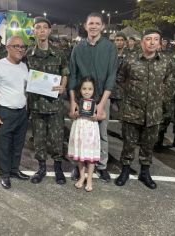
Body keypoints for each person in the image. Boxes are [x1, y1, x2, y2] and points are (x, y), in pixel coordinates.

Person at [115, 29, 170, 189]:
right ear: (142, 42)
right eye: (148, 39)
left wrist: (156, 97)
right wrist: (133, 93)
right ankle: (125, 170)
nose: (152, 42)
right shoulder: (130, 60)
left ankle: (145, 172)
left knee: (148, 145)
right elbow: (120, 78)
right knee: (128, 144)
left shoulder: (165, 62)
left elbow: (167, 81)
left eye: (156, 39)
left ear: (159, 43)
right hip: (132, 111)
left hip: (153, 113)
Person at [68, 12, 118, 182]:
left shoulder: (110, 47)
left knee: (102, 134)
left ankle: (101, 166)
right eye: (91, 23)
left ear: (103, 26)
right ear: (85, 25)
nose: (94, 26)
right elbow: (73, 75)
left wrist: (102, 104)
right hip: (81, 100)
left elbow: (112, 76)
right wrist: (73, 101)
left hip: (102, 98)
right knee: (80, 134)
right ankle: (78, 166)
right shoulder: (78, 48)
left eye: (97, 23)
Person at [25, 17, 69, 185]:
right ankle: (41, 167)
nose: (42, 30)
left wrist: (63, 86)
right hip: (36, 105)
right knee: (39, 138)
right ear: (34, 31)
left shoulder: (58, 53)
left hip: (54, 105)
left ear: (49, 31)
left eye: (45, 27)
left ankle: (58, 167)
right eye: (38, 27)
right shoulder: (29, 54)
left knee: (57, 138)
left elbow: (65, 71)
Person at [0, 36, 29, 189]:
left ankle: (14, 170)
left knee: (18, 144)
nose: (20, 49)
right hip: (5, 112)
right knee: (4, 146)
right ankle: (4, 174)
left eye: (23, 46)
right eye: (16, 46)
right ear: (7, 47)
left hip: (21, 113)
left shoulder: (24, 66)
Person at [68, 77, 106, 192]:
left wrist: (97, 117)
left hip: (91, 131)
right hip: (79, 130)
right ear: (80, 90)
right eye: (84, 88)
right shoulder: (77, 102)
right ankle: (81, 177)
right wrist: (75, 114)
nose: (87, 91)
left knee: (90, 158)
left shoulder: (96, 103)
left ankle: (89, 179)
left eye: (90, 89)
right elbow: (71, 115)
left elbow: (103, 115)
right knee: (80, 156)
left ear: (94, 90)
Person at [110, 32, 127, 120]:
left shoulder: (129, 55)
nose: (119, 42)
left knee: (123, 114)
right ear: (114, 41)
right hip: (110, 87)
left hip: (122, 88)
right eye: (117, 40)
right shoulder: (108, 54)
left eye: (121, 40)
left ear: (125, 42)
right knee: (106, 114)